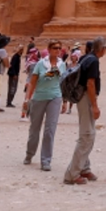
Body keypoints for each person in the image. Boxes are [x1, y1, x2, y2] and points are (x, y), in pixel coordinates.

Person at [64, 36, 106, 185]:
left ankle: (84, 167)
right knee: (87, 135)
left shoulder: (85, 58)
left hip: (81, 97)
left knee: (89, 134)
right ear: (103, 49)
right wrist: (94, 105)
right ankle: (72, 174)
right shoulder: (93, 61)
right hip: (86, 98)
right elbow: (90, 84)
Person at [21, 39, 67, 171]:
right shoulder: (40, 64)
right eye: (55, 48)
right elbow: (33, 82)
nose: (58, 50)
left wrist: (64, 101)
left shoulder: (62, 65)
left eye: (59, 48)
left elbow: (63, 83)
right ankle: (30, 153)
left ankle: (46, 160)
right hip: (39, 97)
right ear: (49, 49)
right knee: (34, 128)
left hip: (55, 97)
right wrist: (27, 99)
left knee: (50, 130)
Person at [6, 44, 23, 108]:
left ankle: (9, 101)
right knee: (12, 88)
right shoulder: (15, 57)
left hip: (15, 74)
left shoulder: (17, 56)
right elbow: (12, 66)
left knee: (13, 88)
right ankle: (9, 102)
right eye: (21, 49)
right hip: (13, 75)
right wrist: (14, 74)